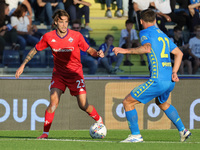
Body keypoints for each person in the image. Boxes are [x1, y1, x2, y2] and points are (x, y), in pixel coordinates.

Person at [15, 9, 104, 139]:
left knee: (83, 105)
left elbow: (89, 49)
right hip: (59, 74)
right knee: (53, 103)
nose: (64, 25)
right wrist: (22, 65)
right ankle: (45, 133)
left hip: (75, 74)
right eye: (61, 22)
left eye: (66, 22)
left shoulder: (76, 36)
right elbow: (35, 50)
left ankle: (99, 120)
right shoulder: (48, 37)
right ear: (56, 22)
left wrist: (97, 53)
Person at [113, 9, 191, 143]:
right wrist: (174, 72)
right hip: (169, 80)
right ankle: (183, 130)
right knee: (162, 103)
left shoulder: (145, 32)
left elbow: (146, 48)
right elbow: (179, 53)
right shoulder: (163, 35)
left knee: (127, 102)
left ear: (141, 21)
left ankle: (136, 135)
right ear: (155, 21)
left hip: (158, 80)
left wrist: (124, 50)